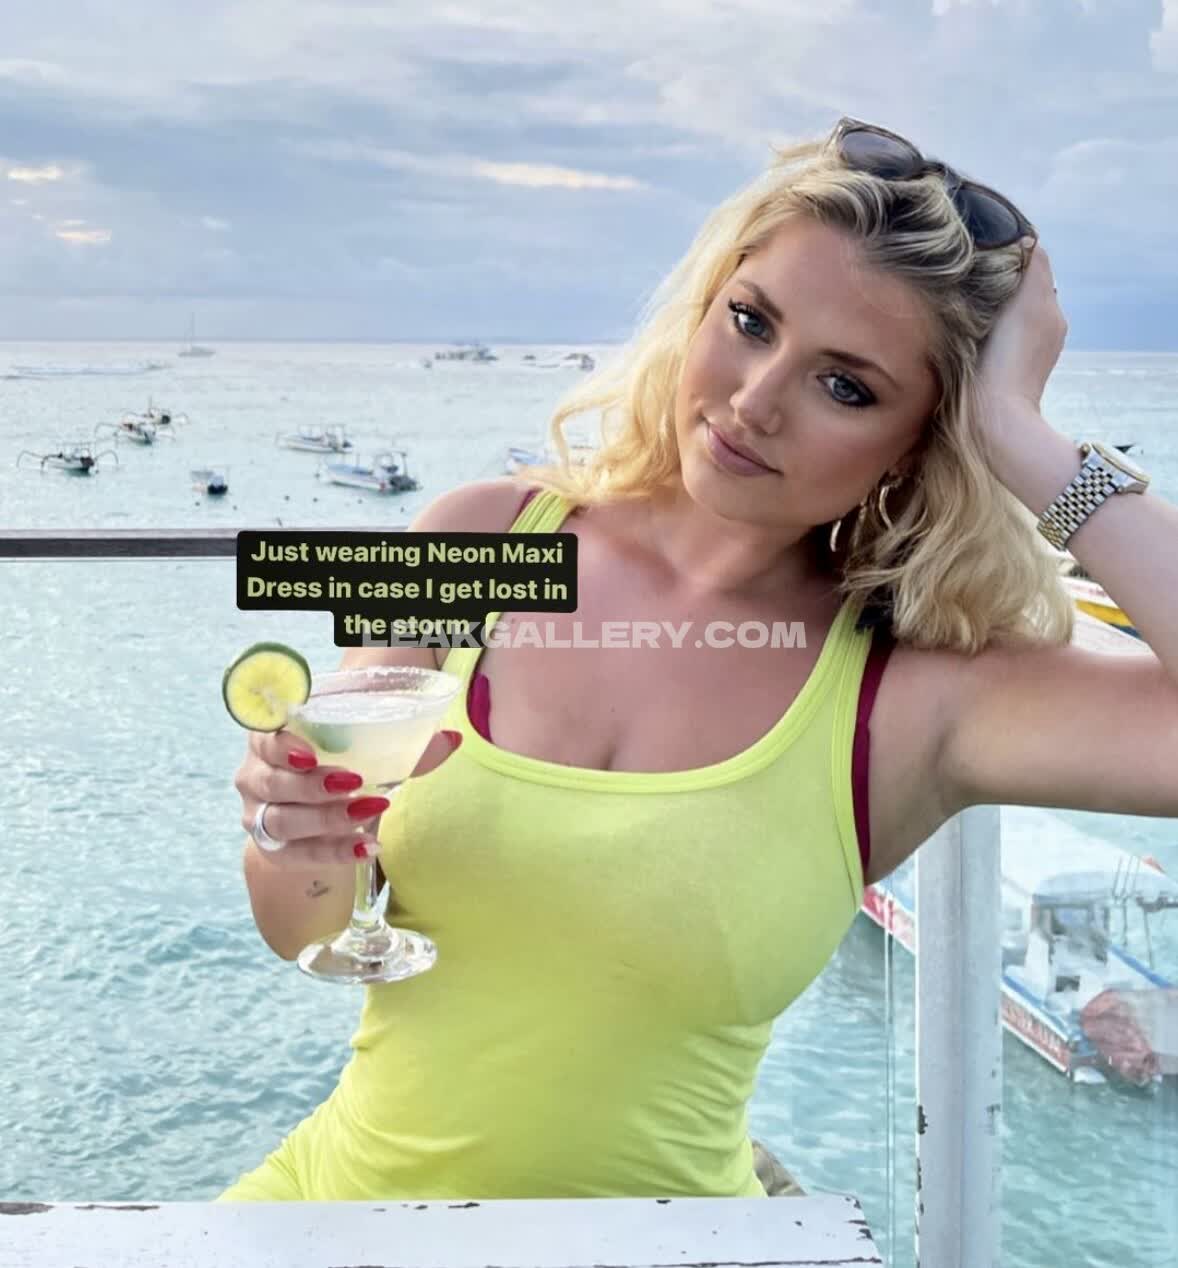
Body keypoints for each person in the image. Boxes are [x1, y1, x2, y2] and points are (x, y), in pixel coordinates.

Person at [219, 116, 1178, 1201]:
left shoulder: (903, 691)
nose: (754, 400)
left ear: (918, 440)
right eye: (750, 321)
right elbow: (304, 925)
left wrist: (1020, 434)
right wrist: (286, 828)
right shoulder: (472, 537)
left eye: (846, 386)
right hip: (332, 1213)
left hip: (675, 1241)